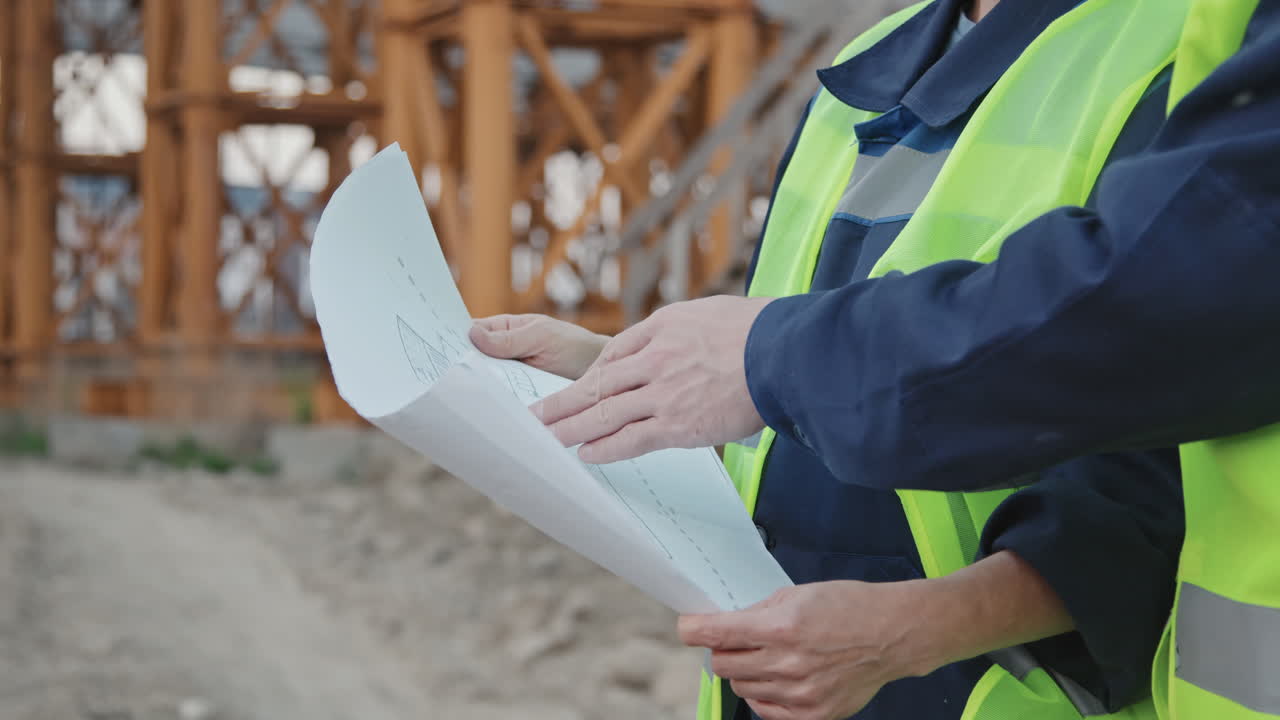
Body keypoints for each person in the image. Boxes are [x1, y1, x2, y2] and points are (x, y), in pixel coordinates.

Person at [523, 0, 1280, 718]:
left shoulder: (1177, 49)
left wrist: (913, 630)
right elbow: (793, 386)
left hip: (982, 688)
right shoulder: (866, 67)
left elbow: (1157, 461)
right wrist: (635, 377)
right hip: (791, 678)